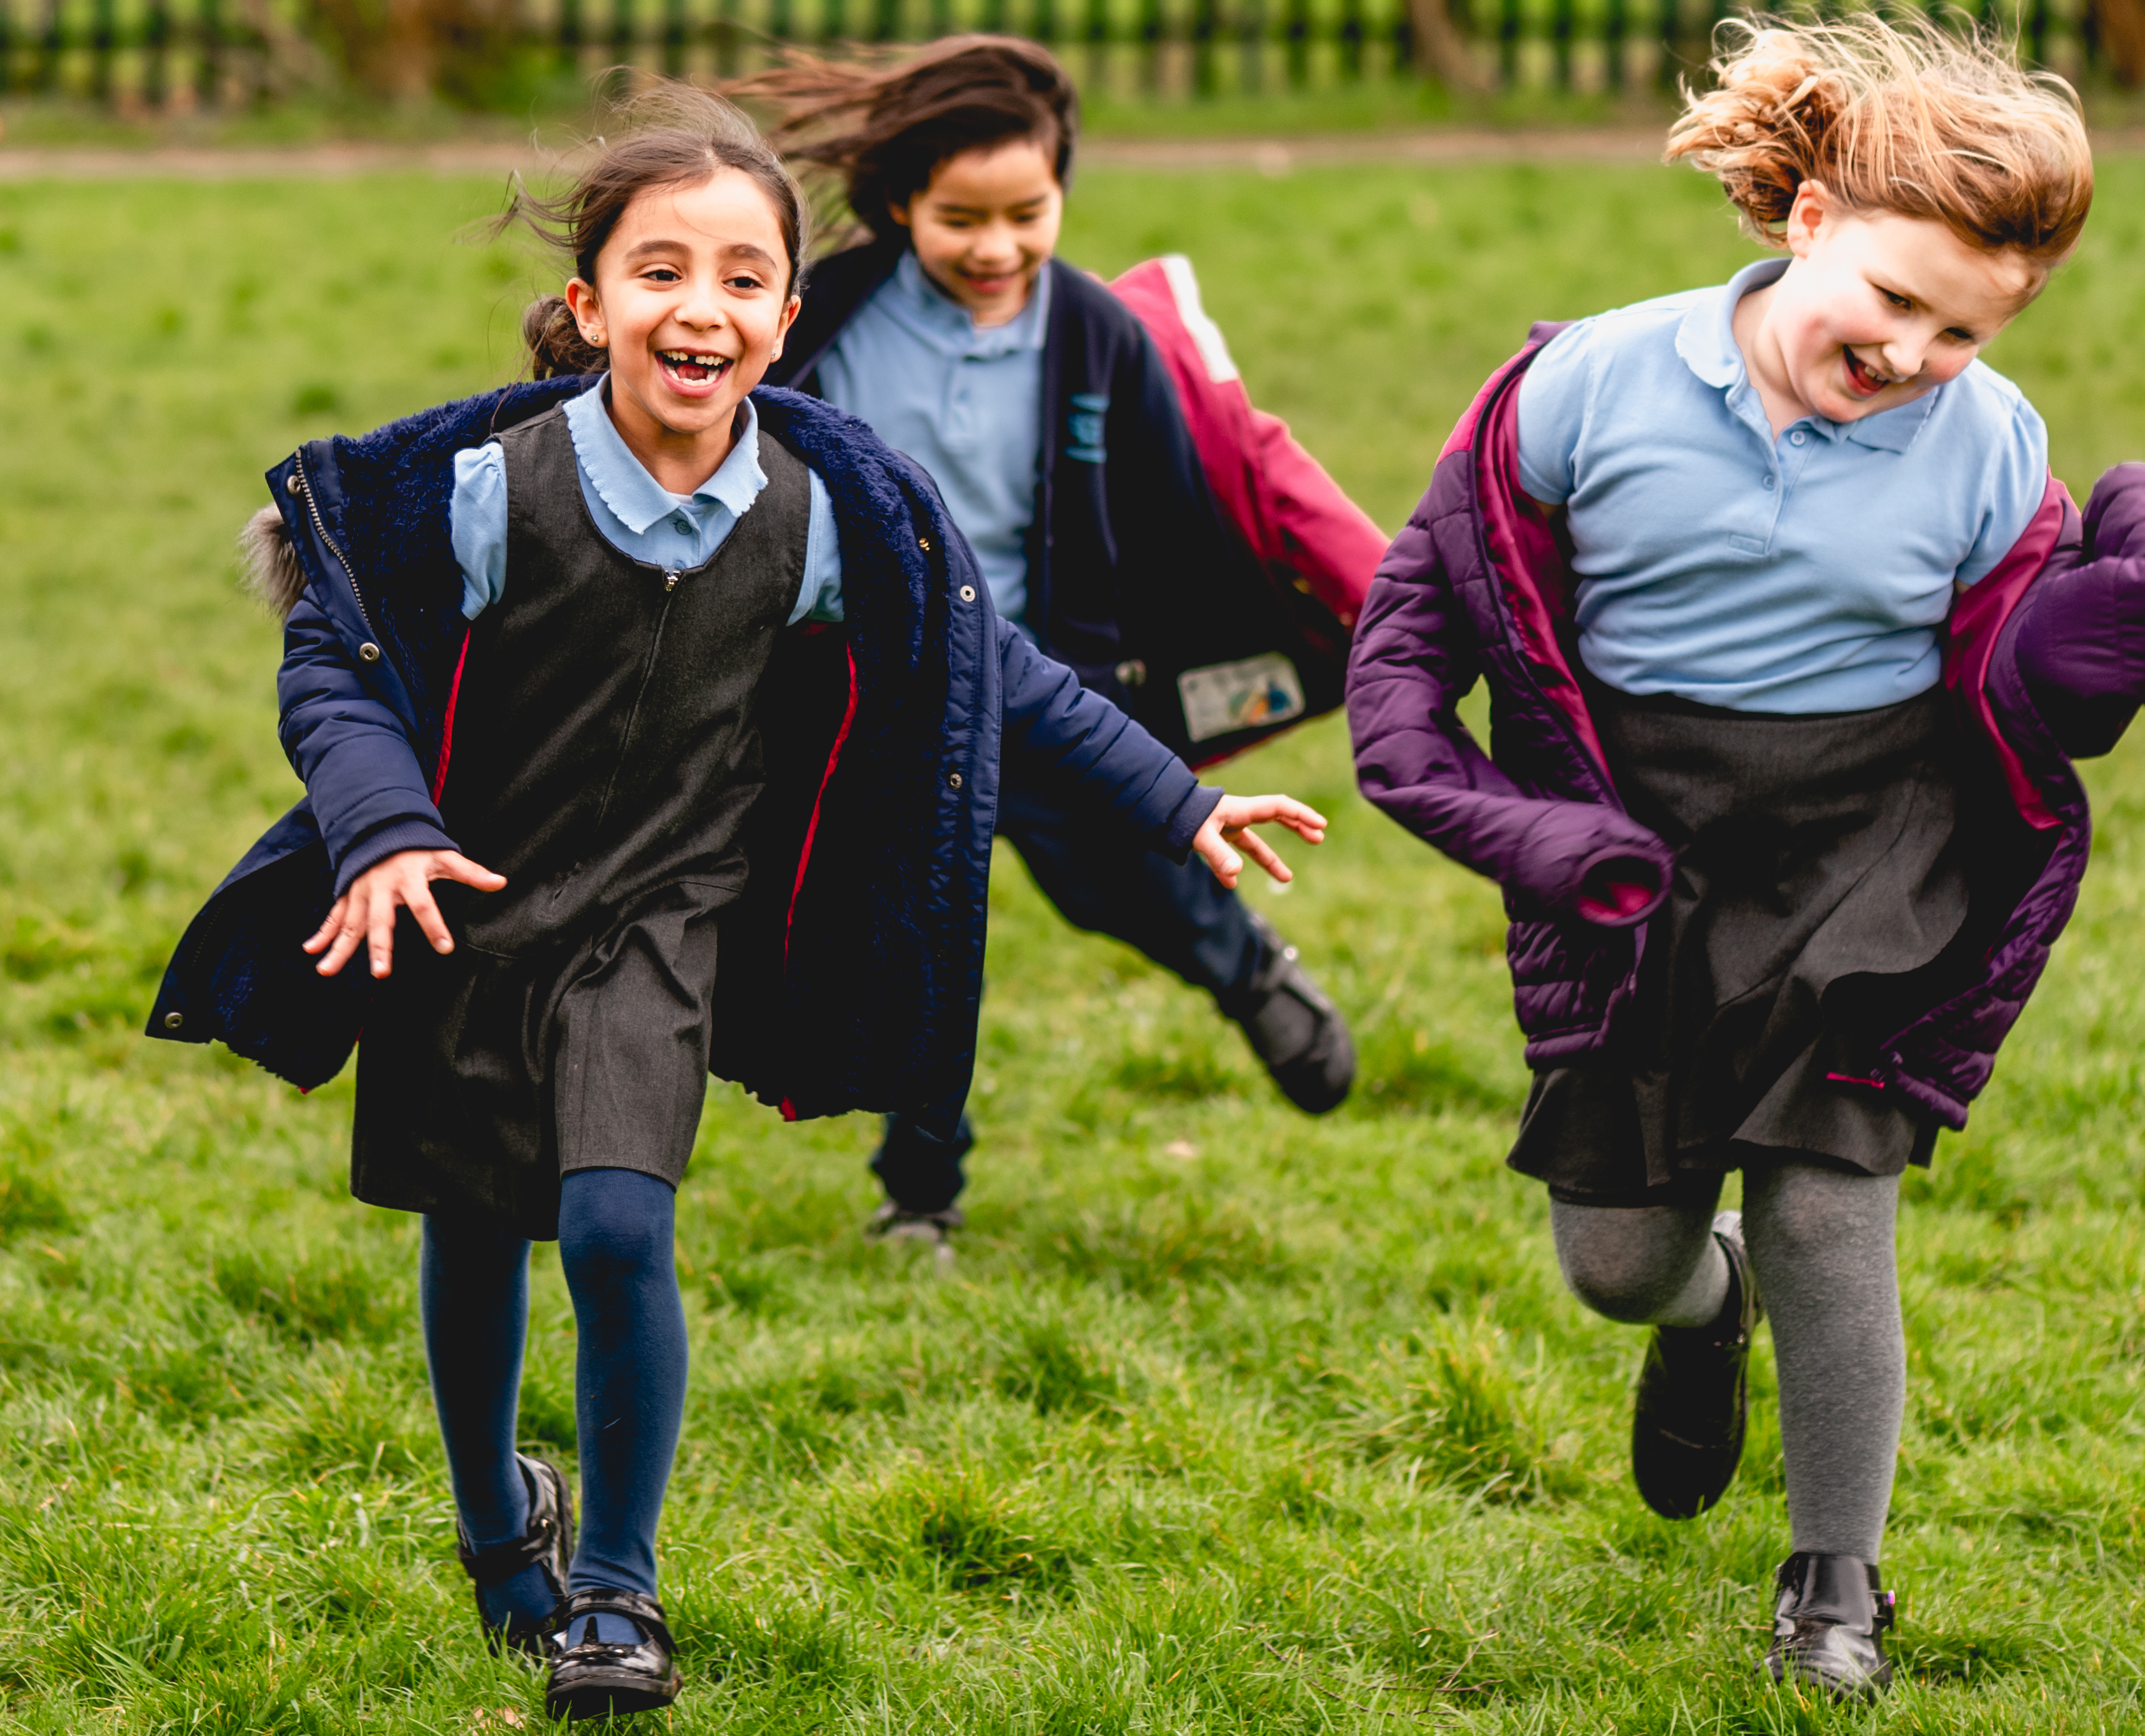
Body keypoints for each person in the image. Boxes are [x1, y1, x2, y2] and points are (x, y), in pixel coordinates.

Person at [148, 85, 1323, 1718]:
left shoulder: (829, 515)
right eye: (656, 272)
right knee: (476, 1226)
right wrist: (383, 831)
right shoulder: (490, 489)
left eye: (738, 277)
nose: (697, 307)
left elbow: (1002, 676)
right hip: (465, 900)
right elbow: (340, 667)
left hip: (661, 916)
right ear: (589, 306)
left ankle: (616, 1593)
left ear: (786, 312)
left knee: (620, 1224)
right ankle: (500, 1523)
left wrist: (1178, 796)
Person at [1347, 10, 2145, 1695]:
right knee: (1618, 1259)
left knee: (1836, 1199)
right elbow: (1419, 615)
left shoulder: (1989, 442)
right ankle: (1701, 1303)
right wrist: (1522, 820)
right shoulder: (1587, 386)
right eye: (1894, 301)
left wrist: (2124, 620)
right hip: (1641, 853)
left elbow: (2017, 677)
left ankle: (1837, 1582)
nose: (1911, 354)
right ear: (1809, 217)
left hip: (1870, 839)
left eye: (1961, 330)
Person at [731, 35, 1385, 1251]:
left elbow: (1178, 525)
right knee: (927, 930)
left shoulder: (1097, 337)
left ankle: (1247, 971)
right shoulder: (822, 322)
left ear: (1062, 195)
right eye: (959, 217)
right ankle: (920, 1190)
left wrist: (1220, 676)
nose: (996, 247)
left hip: (1050, 689)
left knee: (1126, 886)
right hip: (875, 694)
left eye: (1026, 213)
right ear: (899, 203)